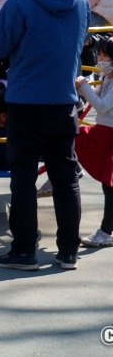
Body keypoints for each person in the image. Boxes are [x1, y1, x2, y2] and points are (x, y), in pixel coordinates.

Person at [0, 0, 89, 271]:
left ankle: (25, 250)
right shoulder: (80, 1)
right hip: (64, 101)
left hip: (26, 101)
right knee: (65, 177)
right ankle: (68, 251)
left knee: (23, 178)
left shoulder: (19, 3)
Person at [74, 37, 113, 248]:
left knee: (109, 185)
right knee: (108, 185)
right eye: (99, 54)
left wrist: (84, 88)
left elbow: (102, 106)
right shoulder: (107, 76)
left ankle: (106, 231)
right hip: (104, 131)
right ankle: (107, 230)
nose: (100, 58)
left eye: (104, 55)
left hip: (109, 134)